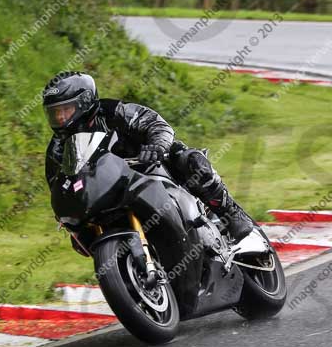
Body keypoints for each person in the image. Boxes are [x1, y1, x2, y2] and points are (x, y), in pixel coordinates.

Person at [43, 70, 253, 242]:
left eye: (66, 110)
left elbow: (157, 124)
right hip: (109, 191)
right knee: (79, 237)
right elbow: (59, 186)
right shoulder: (57, 149)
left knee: (189, 160)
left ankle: (230, 212)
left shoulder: (113, 111)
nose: (60, 118)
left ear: (85, 102)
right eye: (55, 113)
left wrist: (156, 146)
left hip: (150, 167)